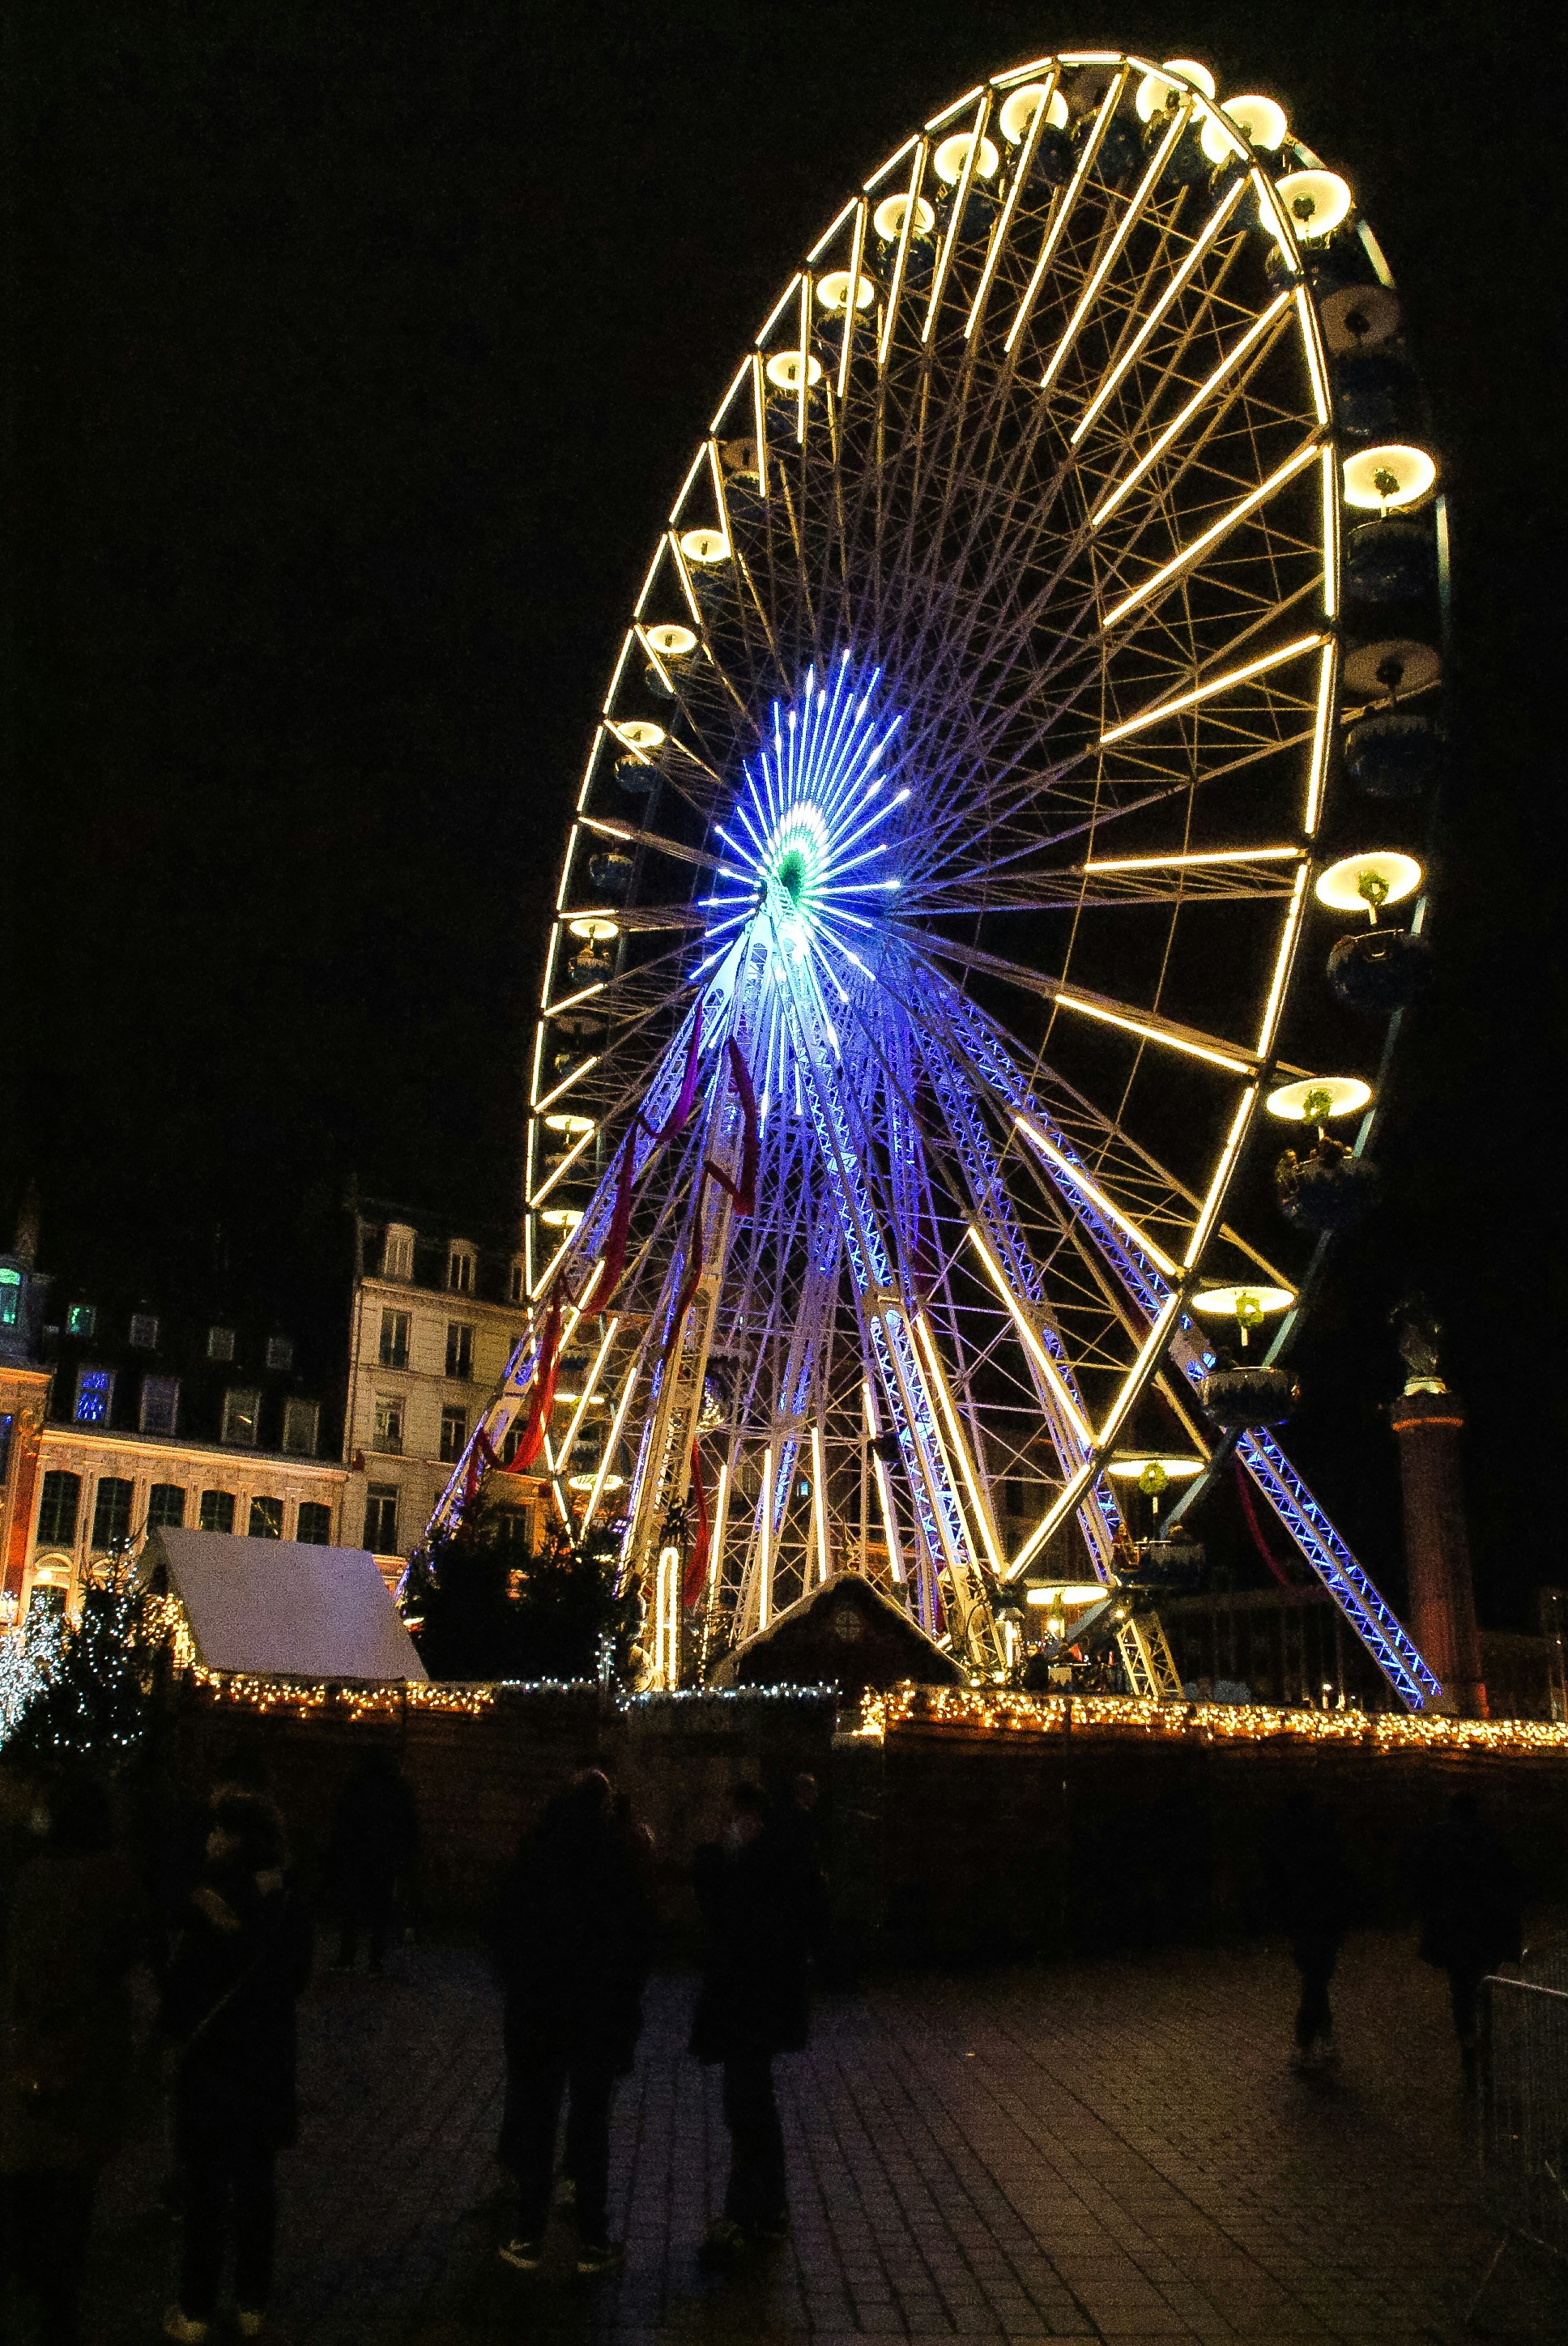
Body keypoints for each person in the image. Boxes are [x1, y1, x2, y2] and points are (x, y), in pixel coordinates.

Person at [161, 1790, 313, 2342]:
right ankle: (252, 2302)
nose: (208, 1840)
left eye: (216, 1831)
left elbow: (183, 1989)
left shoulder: (207, 1900)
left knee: (205, 2188)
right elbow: (297, 1976)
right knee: (256, 2185)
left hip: (212, 2061)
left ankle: (196, 2308)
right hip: (267, 2057)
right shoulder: (288, 1901)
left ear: (234, 1838)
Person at [0, 1776, 145, 2346]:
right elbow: (132, 1952)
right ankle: (60, 2301)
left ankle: (25, 2274)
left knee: (26, 2166)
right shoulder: (117, 1880)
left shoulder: (34, 1877)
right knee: (74, 2178)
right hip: (92, 2046)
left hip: (33, 2040)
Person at [493, 1769, 654, 2276]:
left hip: (540, 2011)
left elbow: (501, 1931)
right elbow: (637, 1944)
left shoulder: (537, 1860)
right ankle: (591, 2237)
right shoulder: (613, 1863)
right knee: (590, 2126)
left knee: (538, 2120)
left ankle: (528, 2234)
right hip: (596, 2015)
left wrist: (521, 1988)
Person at [691, 1781, 822, 2261]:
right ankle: (766, 2208)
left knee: (747, 2109)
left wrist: (709, 1855)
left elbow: (723, 1912)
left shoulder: (758, 1867)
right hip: (761, 2006)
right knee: (754, 2106)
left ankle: (747, 2213)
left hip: (748, 2005)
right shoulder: (780, 1862)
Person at [1417, 1792, 1523, 2086]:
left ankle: (1467, 2038)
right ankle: (1481, 2035)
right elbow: (1510, 1882)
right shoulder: (1490, 1840)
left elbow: (1424, 1879)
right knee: (1483, 1983)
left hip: (1455, 1928)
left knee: (1461, 1986)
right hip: (1485, 1926)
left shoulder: (1440, 1840)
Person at [1272, 1794, 1357, 2073]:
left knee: (1314, 1982)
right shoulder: (1329, 1854)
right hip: (1323, 1924)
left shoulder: (1300, 1855)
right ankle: (1322, 2039)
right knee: (1316, 1981)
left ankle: (1309, 2042)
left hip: (1310, 1923)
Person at [328, 1752, 418, 1973]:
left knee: (351, 1907)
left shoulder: (356, 1786)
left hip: (357, 1854)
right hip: (384, 1856)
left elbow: (343, 1821)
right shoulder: (398, 1789)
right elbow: (408, 1825)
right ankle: (375, 1960)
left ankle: (347, 1957)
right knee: (381, 1909)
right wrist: (404, 1856)